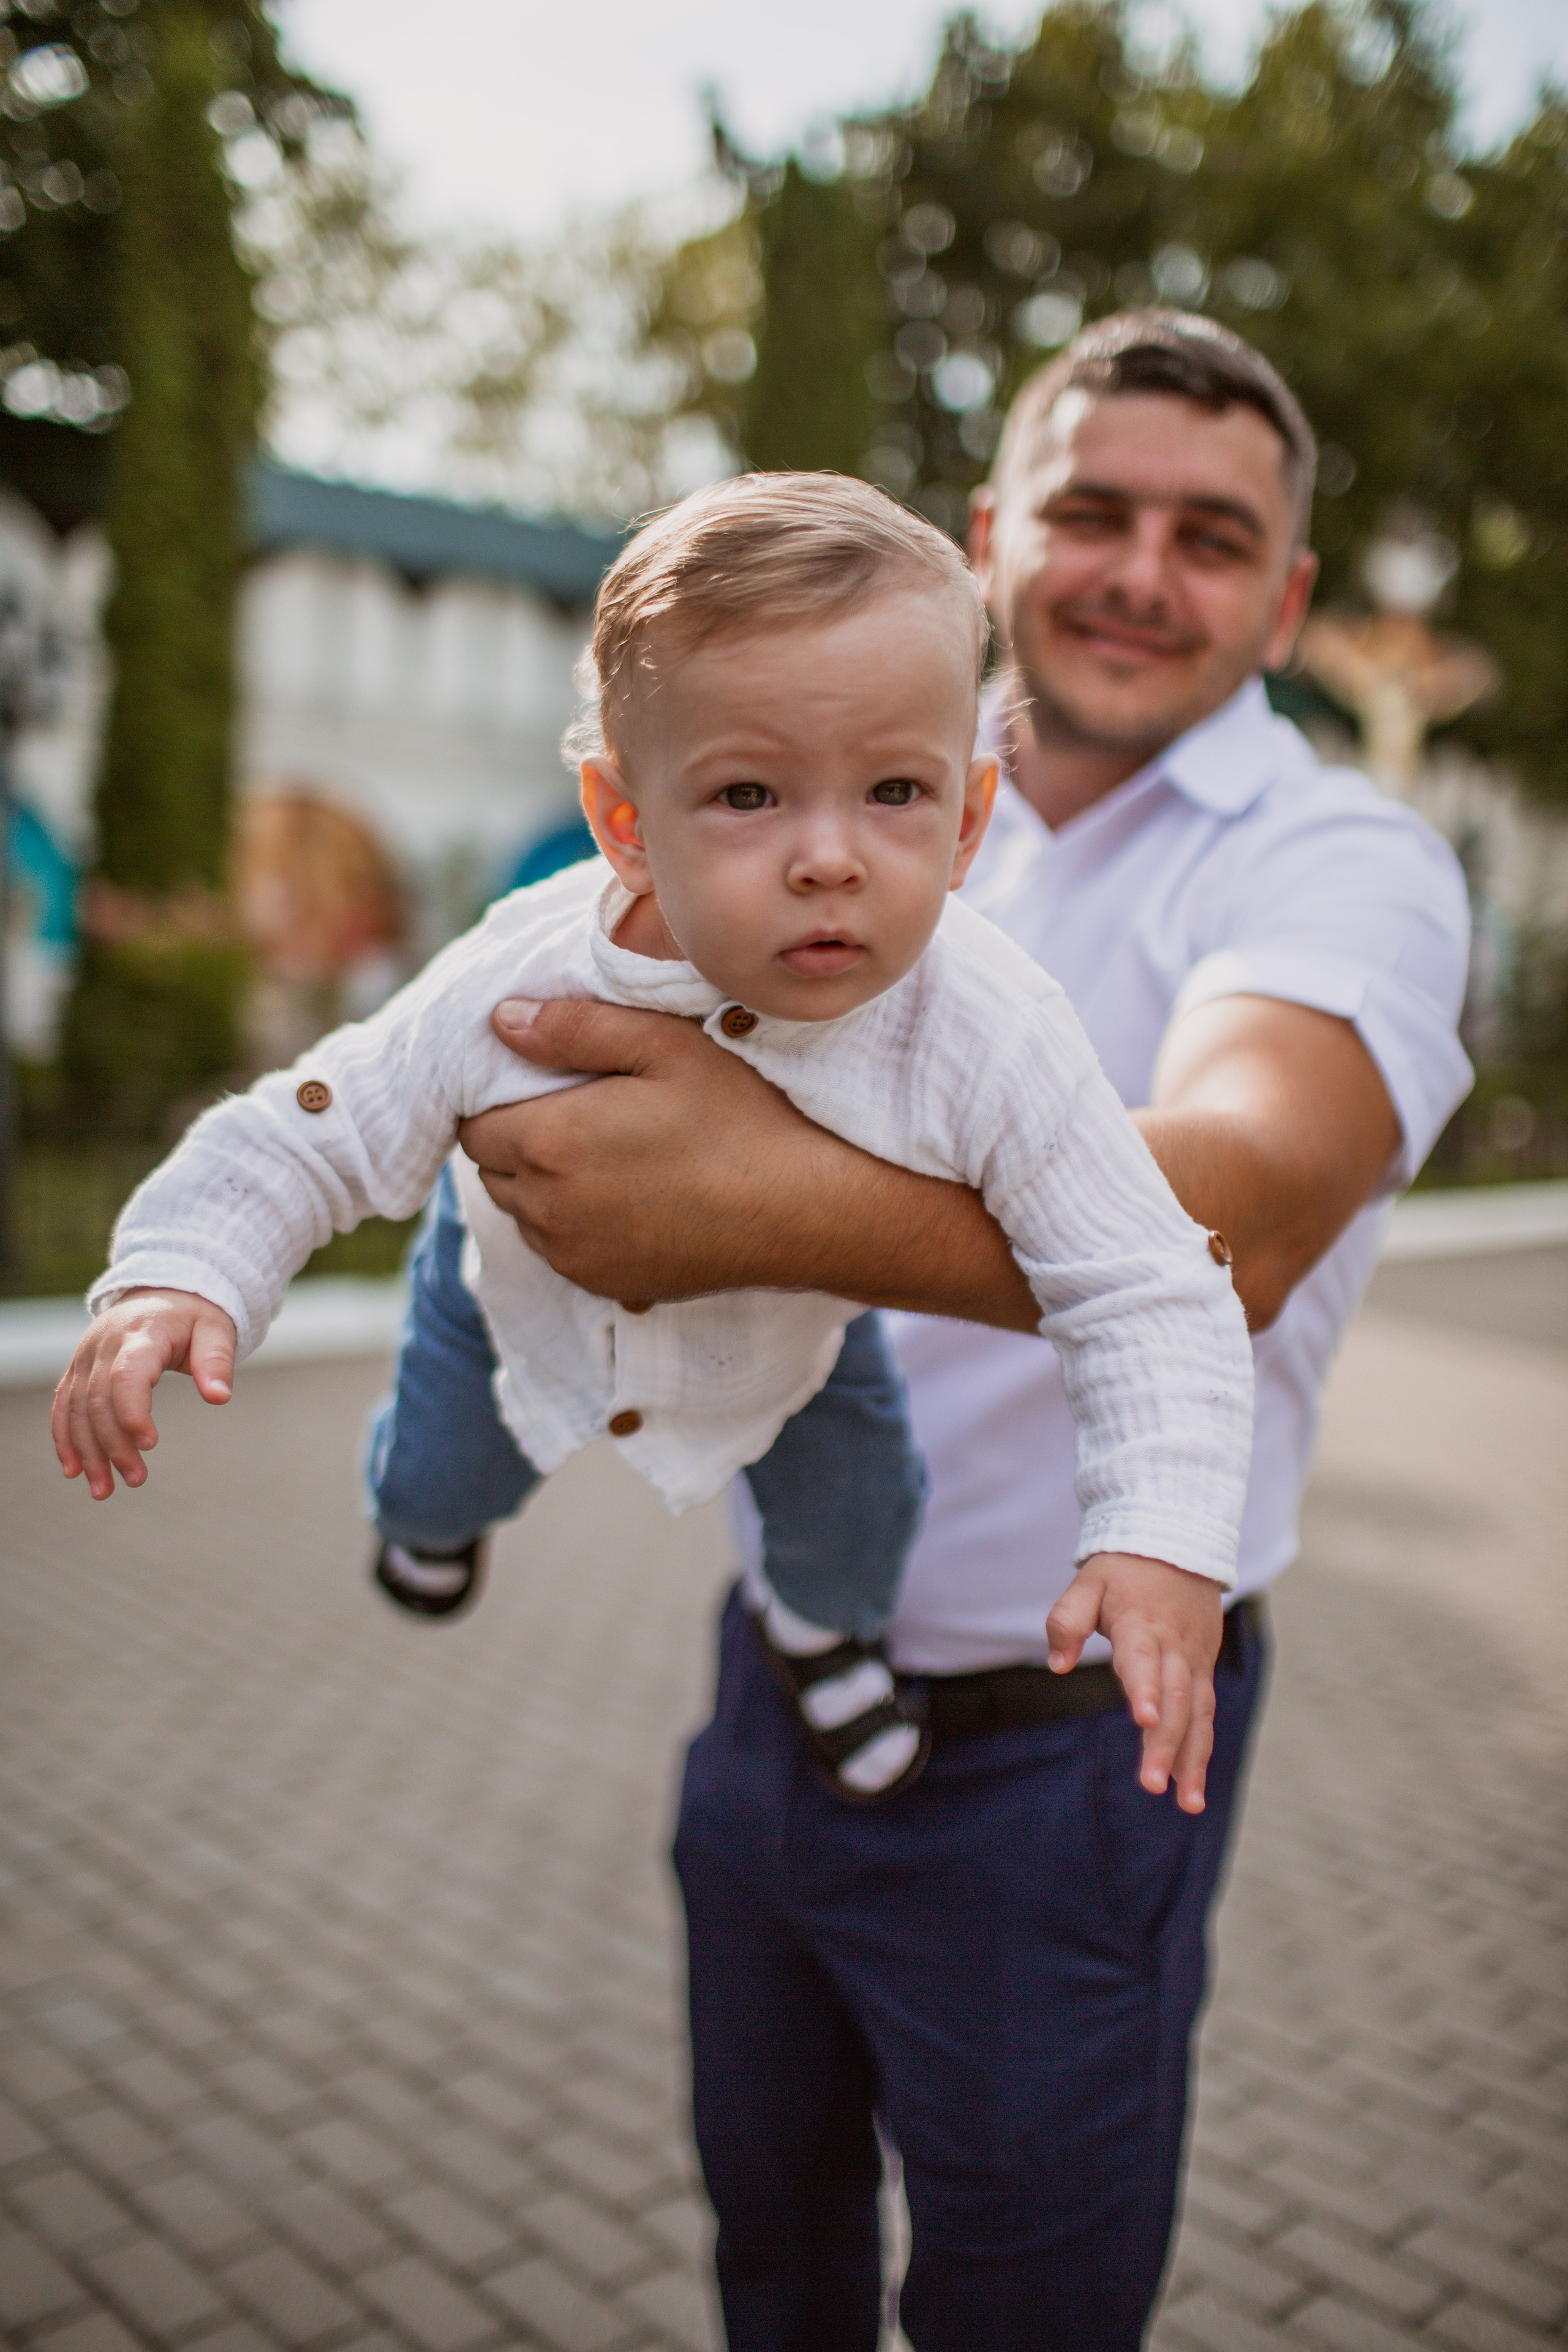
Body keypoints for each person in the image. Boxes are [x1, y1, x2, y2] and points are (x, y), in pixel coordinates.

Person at [448, 314, 1474, 2348]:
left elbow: (1246, 1213)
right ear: (996, 533)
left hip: (1071, 1755)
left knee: (1022, 2317)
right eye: (1094, 511)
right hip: (776, 1690)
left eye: (1210, 538)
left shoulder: (1338, 857)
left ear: (1281, 605)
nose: (1137, 571)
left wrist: (745, 1193)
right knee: (777, 2264)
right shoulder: (853, 802)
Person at [52, 470, 1253, 1806]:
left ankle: (820, 1635)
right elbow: (317, 1126)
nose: (828, 858)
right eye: (748, 796)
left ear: (969, 820)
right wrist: (182, 1272)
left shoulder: (989, 1027)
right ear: (625, 822)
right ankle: (421, 1528)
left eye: (895, 793)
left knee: (864, 1518)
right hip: (514, 1291)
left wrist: (1160, 1535)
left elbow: (1145, 1277)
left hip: (796, 1318)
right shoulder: (521, 976)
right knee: (443, 1481)